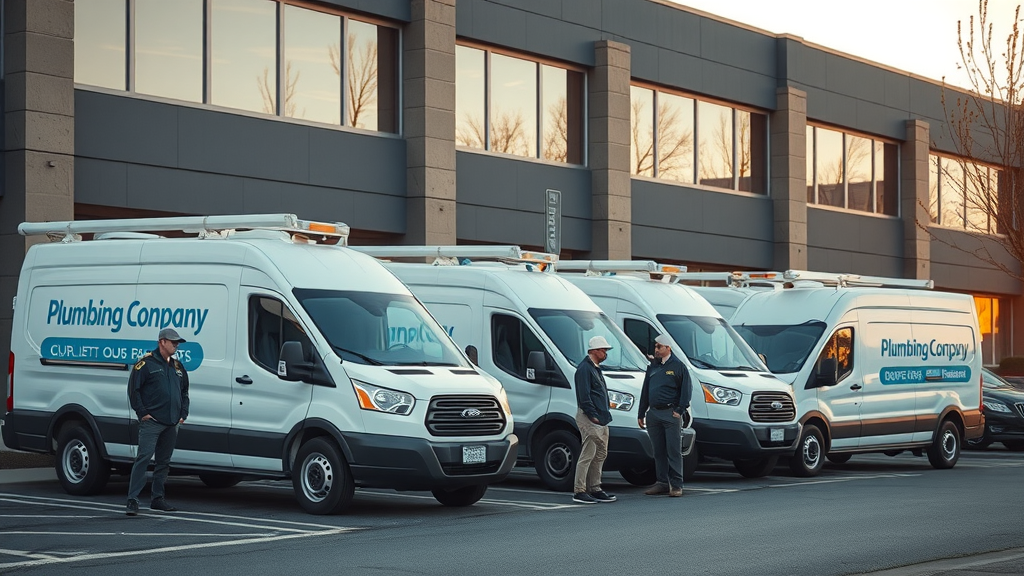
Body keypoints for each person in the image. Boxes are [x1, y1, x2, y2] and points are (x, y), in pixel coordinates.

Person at [126, 328, 190, 516]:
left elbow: (184, 392)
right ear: (162, 342)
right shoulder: (145, 364)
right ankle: (132, 499)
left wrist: (183, 414)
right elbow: (134, 390)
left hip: (172, 422)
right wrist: (143, 413)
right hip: (152, 422)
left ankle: (158, 498)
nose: (176, 345)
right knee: (143, 458)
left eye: (177, 342)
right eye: (173, 342)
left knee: (163, 462)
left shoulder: (178, 366)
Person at [638, 333, 692, 497]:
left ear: (668, 348)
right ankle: (661, 482)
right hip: (654, 413)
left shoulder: (678, 366)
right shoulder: (654, 366)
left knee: (673, 450)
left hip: (670, 413)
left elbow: (686, 390)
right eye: (655, 346)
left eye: (659, 347)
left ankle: (676, 484)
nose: (656, 349)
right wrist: (641, 412)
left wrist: (679, 410)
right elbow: (645, 390)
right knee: (658, 450)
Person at [572, 335, 616, 504]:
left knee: (600, 454)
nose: (605, 353)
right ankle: (579, 490)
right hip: (591, 418)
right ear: (594, 351)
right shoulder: (584, 369)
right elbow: (584, 396)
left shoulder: (595, 368)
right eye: (603, 350)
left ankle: (595, 488)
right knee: (588, 454)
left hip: (601, 418)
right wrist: (593, 416)